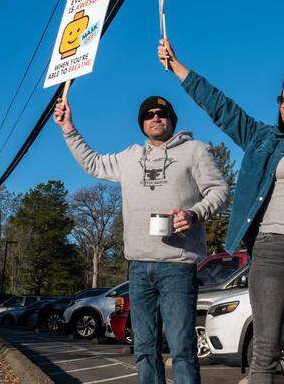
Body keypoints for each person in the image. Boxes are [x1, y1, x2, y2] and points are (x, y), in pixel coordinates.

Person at [157, 38, 284, 384]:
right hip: (270, 248)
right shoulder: (263, 139)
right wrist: (178, 69)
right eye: (280, 99)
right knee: (265, 348)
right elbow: (223, 109)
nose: (282, 104)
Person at [53, 94, 229, 384]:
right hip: (138, 268)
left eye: (161, 113)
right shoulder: (129, 157)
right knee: (144, 349)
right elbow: (92, 163)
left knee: (182, 349)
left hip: (177, 266)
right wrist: (68, 127)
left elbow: (220, 191)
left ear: (172, 119)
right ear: (142, 124)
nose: (155, 118)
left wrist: (195, 213)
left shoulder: (195, 151)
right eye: (149, 115)